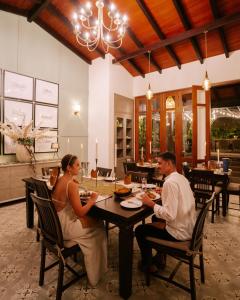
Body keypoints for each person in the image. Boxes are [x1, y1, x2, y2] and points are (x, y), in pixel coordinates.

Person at [51, 154, 108, 287]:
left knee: (94, 222)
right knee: (100, 226)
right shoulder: (71, 184)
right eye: (77, 165)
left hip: (56, 224)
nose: (80, 167)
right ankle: (96, 273)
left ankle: (93, 267)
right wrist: (92, 200)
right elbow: (80, 212)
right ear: (69, 168)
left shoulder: (61, 179)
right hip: (65, 228)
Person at [135, 152, 196, 271]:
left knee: (139, 230)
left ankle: (147, 265)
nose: (158, 166)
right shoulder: (181, 178)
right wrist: (163, 191)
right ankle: (160, 256)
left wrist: (151, 204)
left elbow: (170, 215)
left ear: (168, 164)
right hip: (189, 226)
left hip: (179, 233)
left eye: (160, 163)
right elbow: (180, 196)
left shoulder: (170, 183)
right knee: (155, 218)